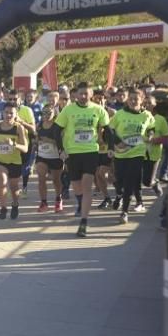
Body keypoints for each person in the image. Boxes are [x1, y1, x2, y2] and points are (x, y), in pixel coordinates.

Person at [55, 82, 111, 237]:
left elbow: (108, 130)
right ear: (76, 95)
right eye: (81, 93)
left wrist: (111, 145)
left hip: (90, 152)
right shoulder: (68, 110)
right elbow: (56, 130)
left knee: (86, 187)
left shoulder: (99, 110)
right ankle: (80, 203)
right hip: (72, 153)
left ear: (91, 94)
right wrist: (61, 150)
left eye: (86, 94)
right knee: (76, 187)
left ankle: (84, 222)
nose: (83, 96)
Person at [110, 88, 154, 223]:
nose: (133, 101)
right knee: (120, 181)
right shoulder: (120, 114)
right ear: (127, 100)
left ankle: (124, 212)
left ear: (142, 100)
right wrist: (118, 142)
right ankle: (119, 195)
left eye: (136, 99)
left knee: (130, 182)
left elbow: (151, 128)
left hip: (137, 153)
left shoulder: (147, 115)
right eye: (131, 99)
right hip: (121, 153)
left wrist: (151, 136)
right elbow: (109, 130)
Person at [0, 103, 29, 220]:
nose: (8, 115)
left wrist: (14, 144)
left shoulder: (19, 128)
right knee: (2, 181)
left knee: (14, 187)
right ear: (2, 113)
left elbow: (25, 148)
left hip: (14, 161)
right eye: (6, 112)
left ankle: (15, 204)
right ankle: (3, 208)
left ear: (16, 114)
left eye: (11, 113)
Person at [34, 105, 65, 213]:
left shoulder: (57, 126)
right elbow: (37, 138)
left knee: (56, 180)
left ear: (54, 114)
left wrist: (49, 140)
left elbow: (62, 142)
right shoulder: (40, 125)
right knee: (41, 178)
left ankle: (58, 199)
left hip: (55, 156)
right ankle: (44, 202)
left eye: (49, 113)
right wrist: (37, 141)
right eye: (44, 113)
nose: (46, 115)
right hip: (42, 156)